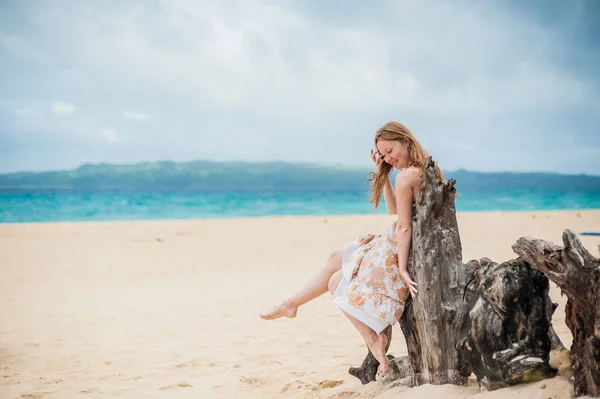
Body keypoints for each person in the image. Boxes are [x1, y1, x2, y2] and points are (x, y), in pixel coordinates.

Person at [259, 121, 444, 374]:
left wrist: (401, 269)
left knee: (337, 281)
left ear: (406, 142)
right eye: (384, 154)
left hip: (405, 248)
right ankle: (292, 303)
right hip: (408, 242)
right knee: (337, 256)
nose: (389, 158)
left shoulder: (407, 176)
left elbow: (403, 227)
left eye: (391, 151)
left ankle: (371, 337)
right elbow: (394, 211)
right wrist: (384, 175)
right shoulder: (422, 170)